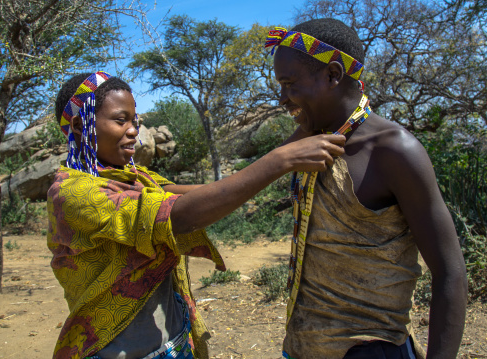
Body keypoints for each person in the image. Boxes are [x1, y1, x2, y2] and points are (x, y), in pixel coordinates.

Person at [47, 71, 345, 359]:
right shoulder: (73, 194)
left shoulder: (133, 178)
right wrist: (280, 161)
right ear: (78, 125)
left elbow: (208, 192)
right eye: (120, 120)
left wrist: (308, 124)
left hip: (172, 342)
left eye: (134, 121)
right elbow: (177, 216)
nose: (133, 131)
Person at [264, 18, 468, 359]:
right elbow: (242, 182)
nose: (282, 98)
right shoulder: (311, 137)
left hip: (370, 350)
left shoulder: (394, 150)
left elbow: (450, 271)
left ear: (332, 75)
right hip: (303, 346)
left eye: (290, 84)